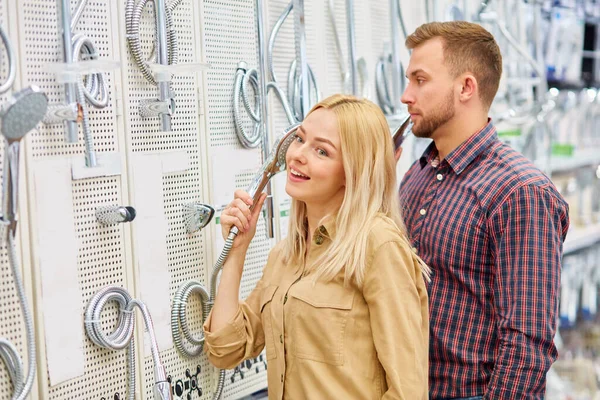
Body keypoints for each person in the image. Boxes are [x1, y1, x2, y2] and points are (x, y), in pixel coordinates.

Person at [203, 94, 430, 399]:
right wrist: (237, 251)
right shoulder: (285, 256)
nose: (297, 155)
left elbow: (408, 392)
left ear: (353, 172)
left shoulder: (378, 245)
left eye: (322, 151)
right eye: (300, 139)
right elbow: (226, 349)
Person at [397, 21, 570, 400]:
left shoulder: (519, 192)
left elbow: (527, 342)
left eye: (420, 80)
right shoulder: (419, 173)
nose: (406, 96)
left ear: (466, 88)